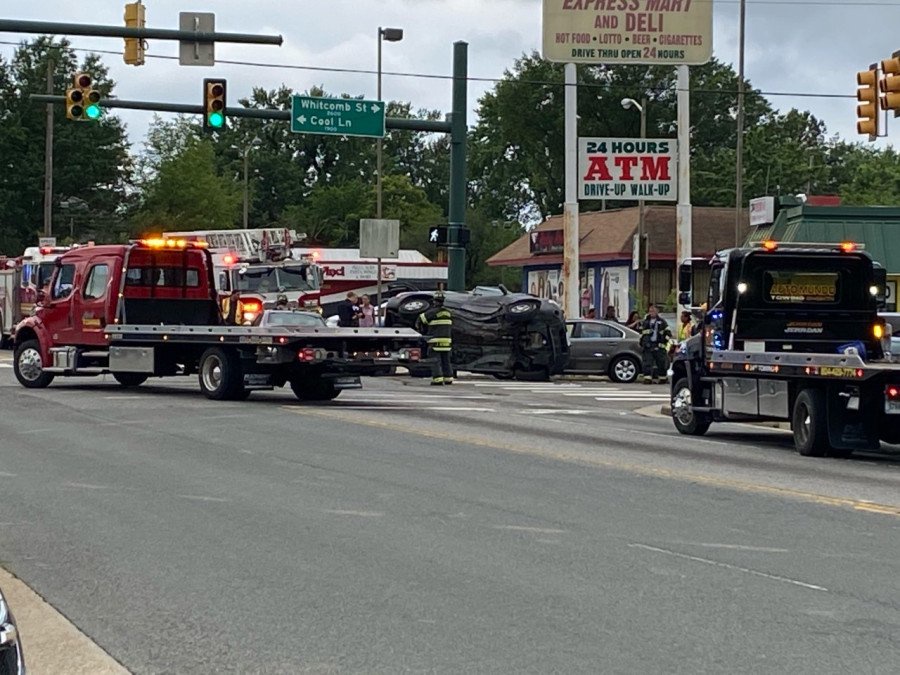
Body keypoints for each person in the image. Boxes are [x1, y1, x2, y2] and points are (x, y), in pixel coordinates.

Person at [416, 292, 453, 385]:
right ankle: (448, 378)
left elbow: (420, 320)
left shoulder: (432, 312)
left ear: (434, 302)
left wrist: (421, 331)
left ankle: (438, 379)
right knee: (446, 360)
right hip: (447, 341)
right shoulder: (449, 313)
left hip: (435, 341)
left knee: (435, 360)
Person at [639, 304, 672, 384]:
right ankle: (647, 379)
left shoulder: (662, 322)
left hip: (659, 346)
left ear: (657, 312)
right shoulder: (645, 322)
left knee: (661, 363)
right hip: (648, 346)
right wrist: (644, 343)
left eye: (653, 311)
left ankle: (662, 378)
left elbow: (668, 334)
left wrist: (664, 341)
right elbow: (641, 334)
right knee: (647, 362)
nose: (651, 312)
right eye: (650, 311)